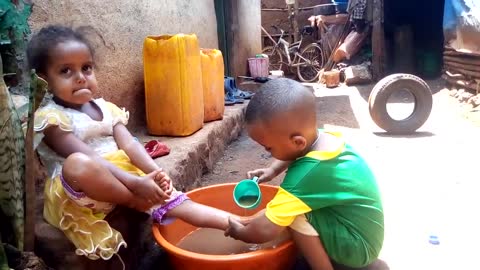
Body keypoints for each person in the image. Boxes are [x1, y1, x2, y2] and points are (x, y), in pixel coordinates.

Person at [27, 25, 232, 261]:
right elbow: (90, 158)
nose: (81, 77)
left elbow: (131, 145)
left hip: (123, 179)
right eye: (66, 71)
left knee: (179, 202)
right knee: (78, 163)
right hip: (83, 192)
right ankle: (135, 202)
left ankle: (239, 223)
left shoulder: (106, 108)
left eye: (87, 68)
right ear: (44, 80)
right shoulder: (51, 119)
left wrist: (156, 173)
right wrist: (136, 185)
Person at [225, 78, 384, 270]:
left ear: (298, 142)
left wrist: (241, 232)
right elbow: (297, 152)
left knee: (295, 215)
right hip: (365, 233)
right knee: (294, 208)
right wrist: (273, 169)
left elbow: (266, 228)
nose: (267, 153)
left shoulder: (304, 176)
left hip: (358, 248)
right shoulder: (324, 139)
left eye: (268, 147)